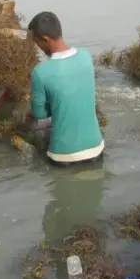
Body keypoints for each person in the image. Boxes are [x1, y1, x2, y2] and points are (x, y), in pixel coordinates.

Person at [27, 11, 104, 166]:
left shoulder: (40, 72)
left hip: (63, 156)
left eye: (37, 43)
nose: (38, 48)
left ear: (46, 40)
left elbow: (39, 114)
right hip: (96, 149)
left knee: (32, 129)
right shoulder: (86, 57)